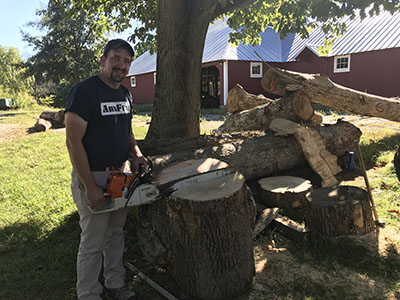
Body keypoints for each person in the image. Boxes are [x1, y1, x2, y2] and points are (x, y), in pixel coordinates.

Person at [65, 39, 146, 300]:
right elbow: (72, 141)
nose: (121, 65)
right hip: (94, 175)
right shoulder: (85, 92)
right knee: (93, 241)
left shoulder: (125, 93)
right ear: (103, 60)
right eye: (116, 58)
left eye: (126, 61)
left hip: (119, 174)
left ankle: (115, 284)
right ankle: (88, 294)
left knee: (115, 234)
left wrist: (136, 153)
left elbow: (126, 130)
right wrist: (89, 186)